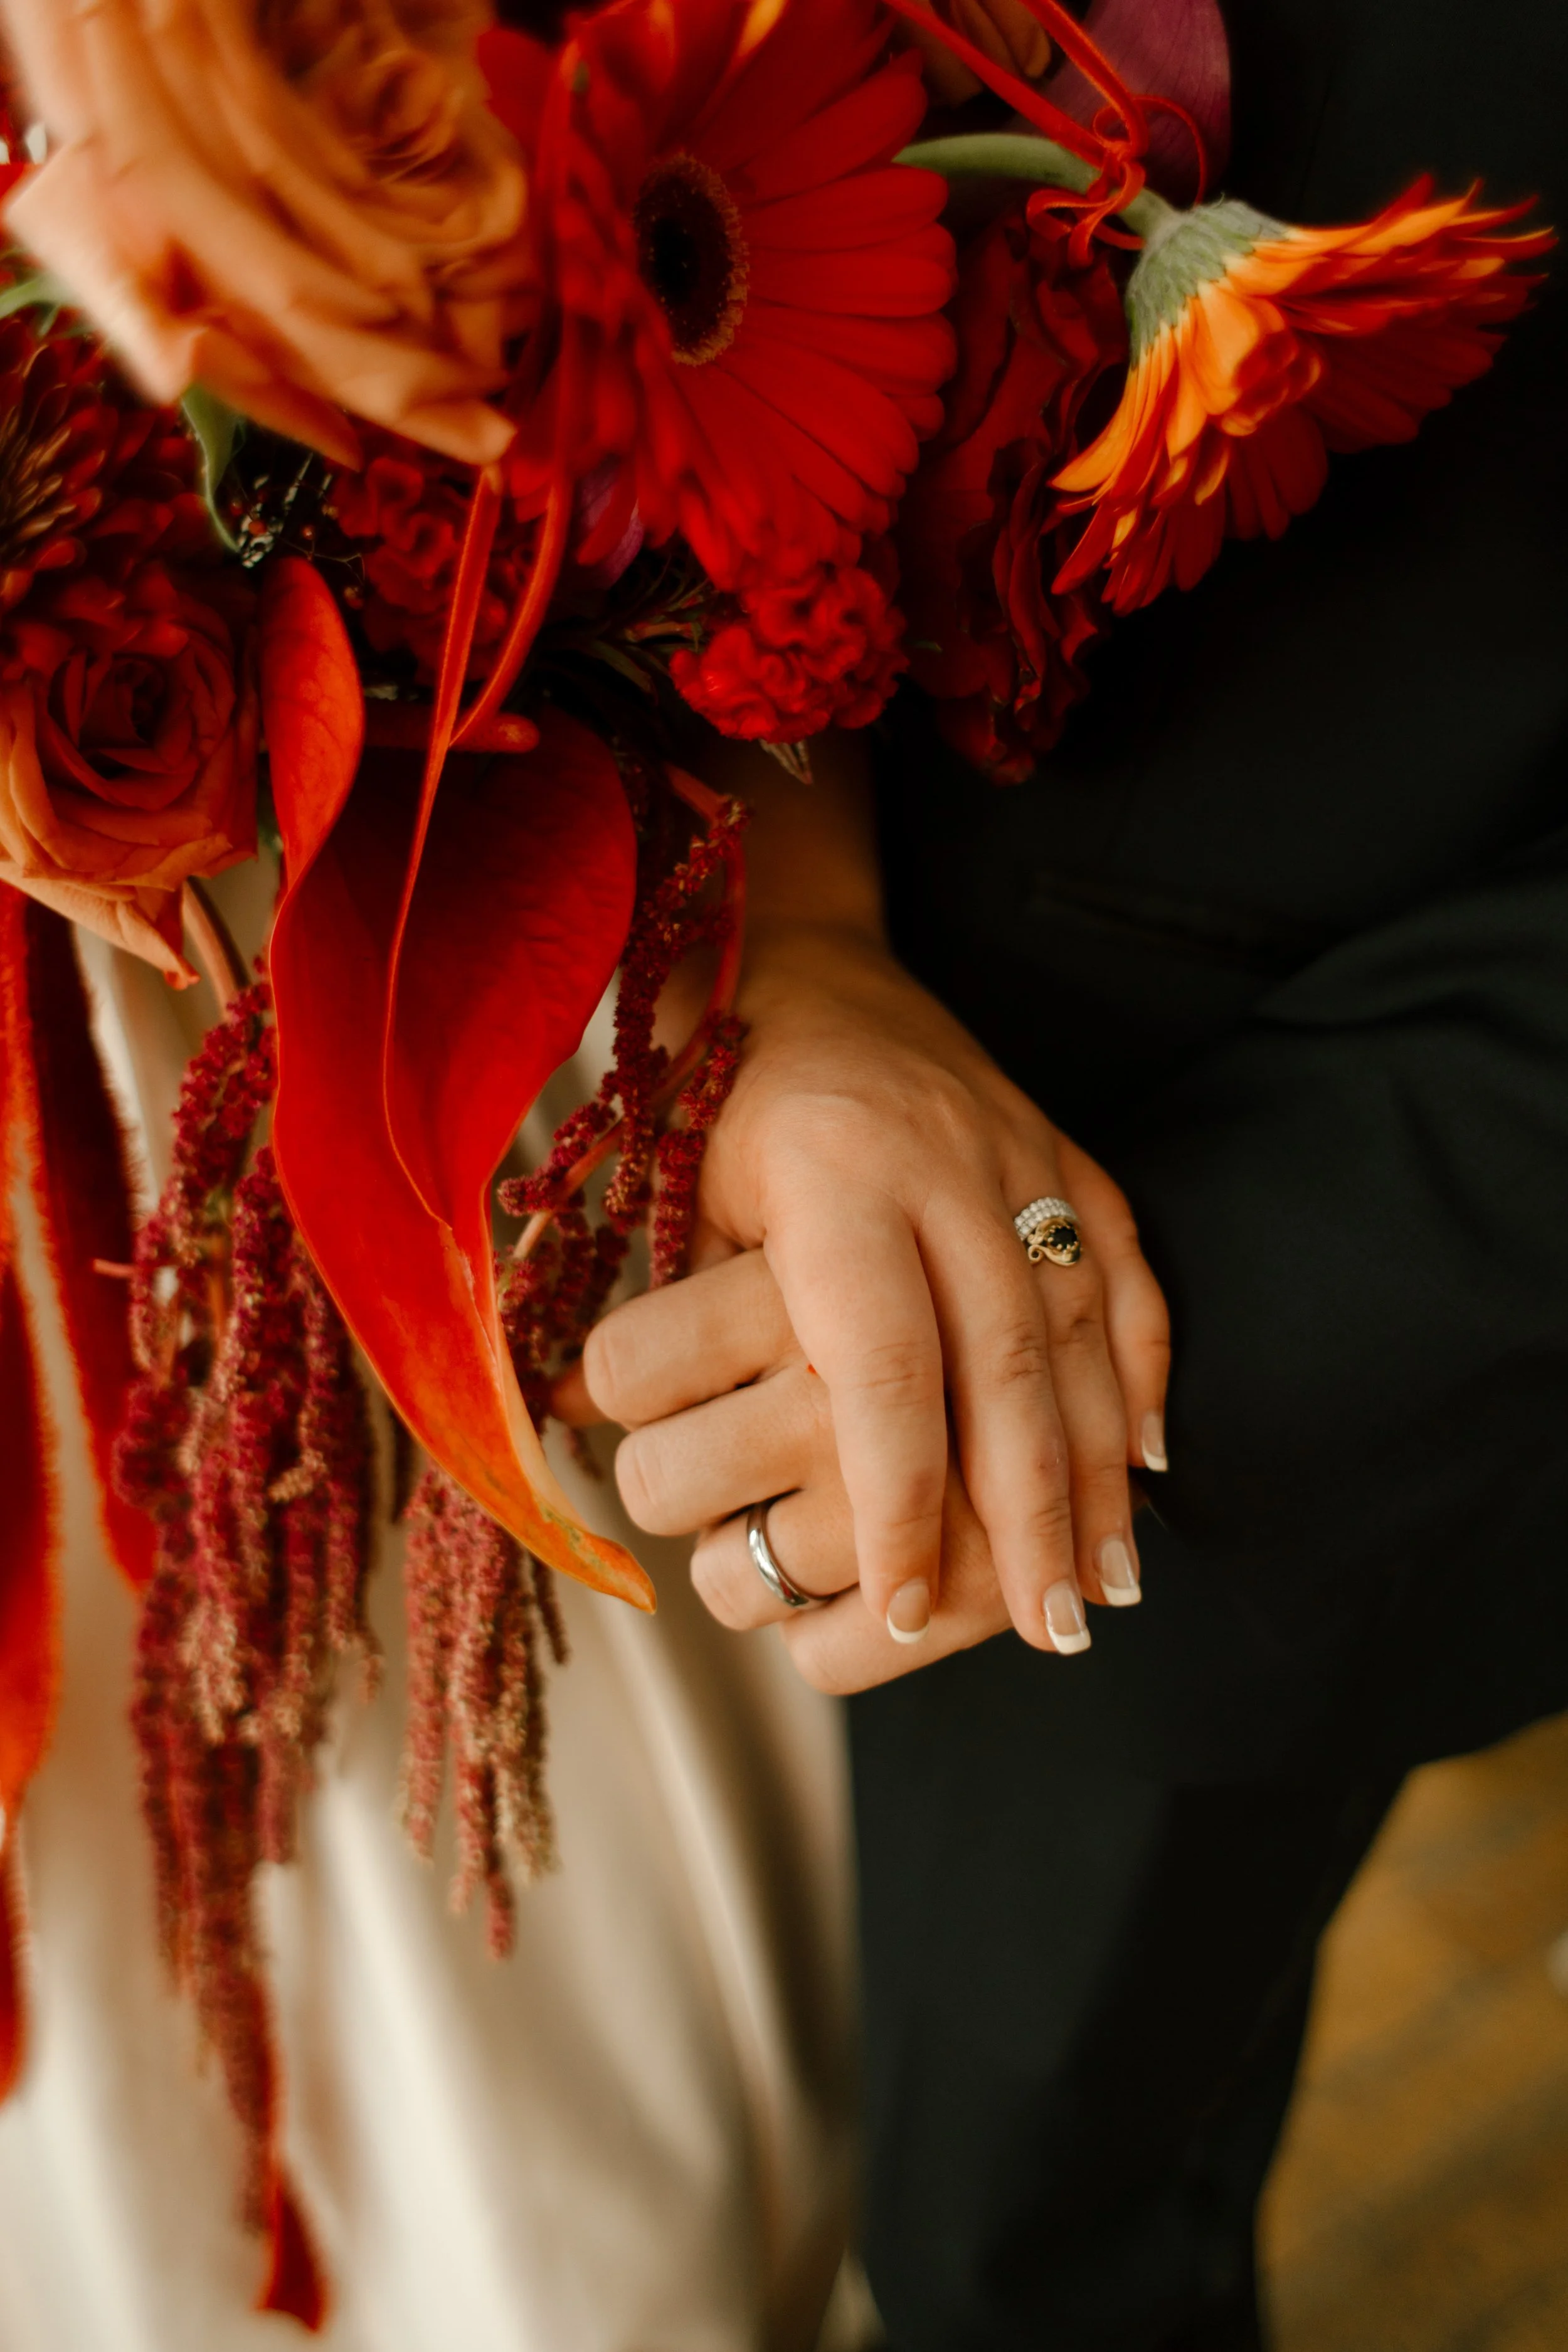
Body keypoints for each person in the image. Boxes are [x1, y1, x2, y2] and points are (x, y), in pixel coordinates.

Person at [568, 1, 1568, 2343]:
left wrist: (1138, 1331)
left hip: (1227, 1277)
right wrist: (795, 942)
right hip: (817, 968)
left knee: (1017, 2213)